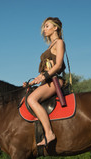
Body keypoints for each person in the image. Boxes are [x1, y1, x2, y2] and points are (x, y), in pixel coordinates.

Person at [23, 17, 66, 147]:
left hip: (55, 81)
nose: (44, 29)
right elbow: (45, 70)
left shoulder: (59, 43)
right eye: (44, 27)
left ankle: (49, 133)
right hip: (47, 80)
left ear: (55, 28)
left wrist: (45, 76)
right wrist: (34, 81)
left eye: (47, 26)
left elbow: (58, 66)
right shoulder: (50, 46)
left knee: (31, 100)